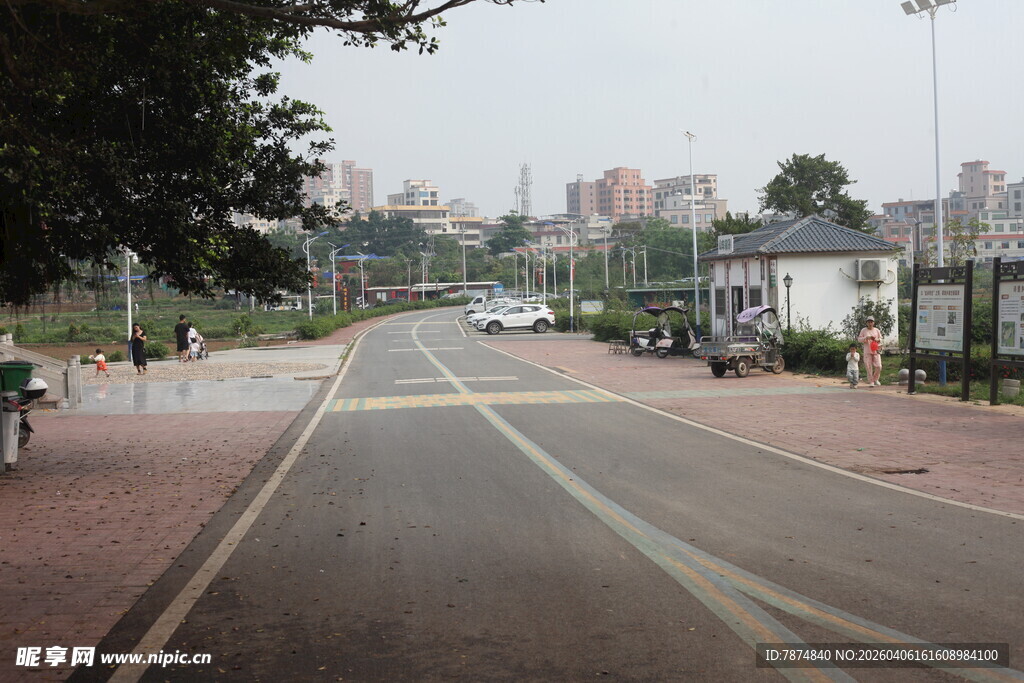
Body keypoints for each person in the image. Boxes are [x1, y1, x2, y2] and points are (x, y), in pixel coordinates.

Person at [857, 315, 883, 387]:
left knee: (879, 366)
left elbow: (881, 339)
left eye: (871, 322)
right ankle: (871, 381)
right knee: (868, 367)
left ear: (873, 323)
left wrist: (878, 340)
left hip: (876, 351)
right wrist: (866, 337)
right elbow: (859, 339)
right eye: (868, 322)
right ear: (866, 323)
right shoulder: (863, 330)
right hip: (867, 351)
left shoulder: (877, 330)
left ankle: (875, 379)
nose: (870, 323)